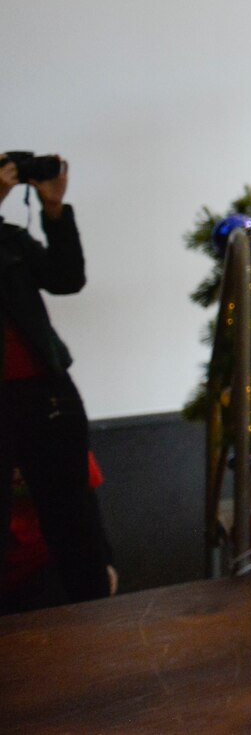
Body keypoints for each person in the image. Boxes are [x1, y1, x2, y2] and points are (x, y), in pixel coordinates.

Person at [1, 155, 114, 605]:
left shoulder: (11, 239)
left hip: (45, 392)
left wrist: (54, 211)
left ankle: (94, 619)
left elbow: (67, 279)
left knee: (73, 516)